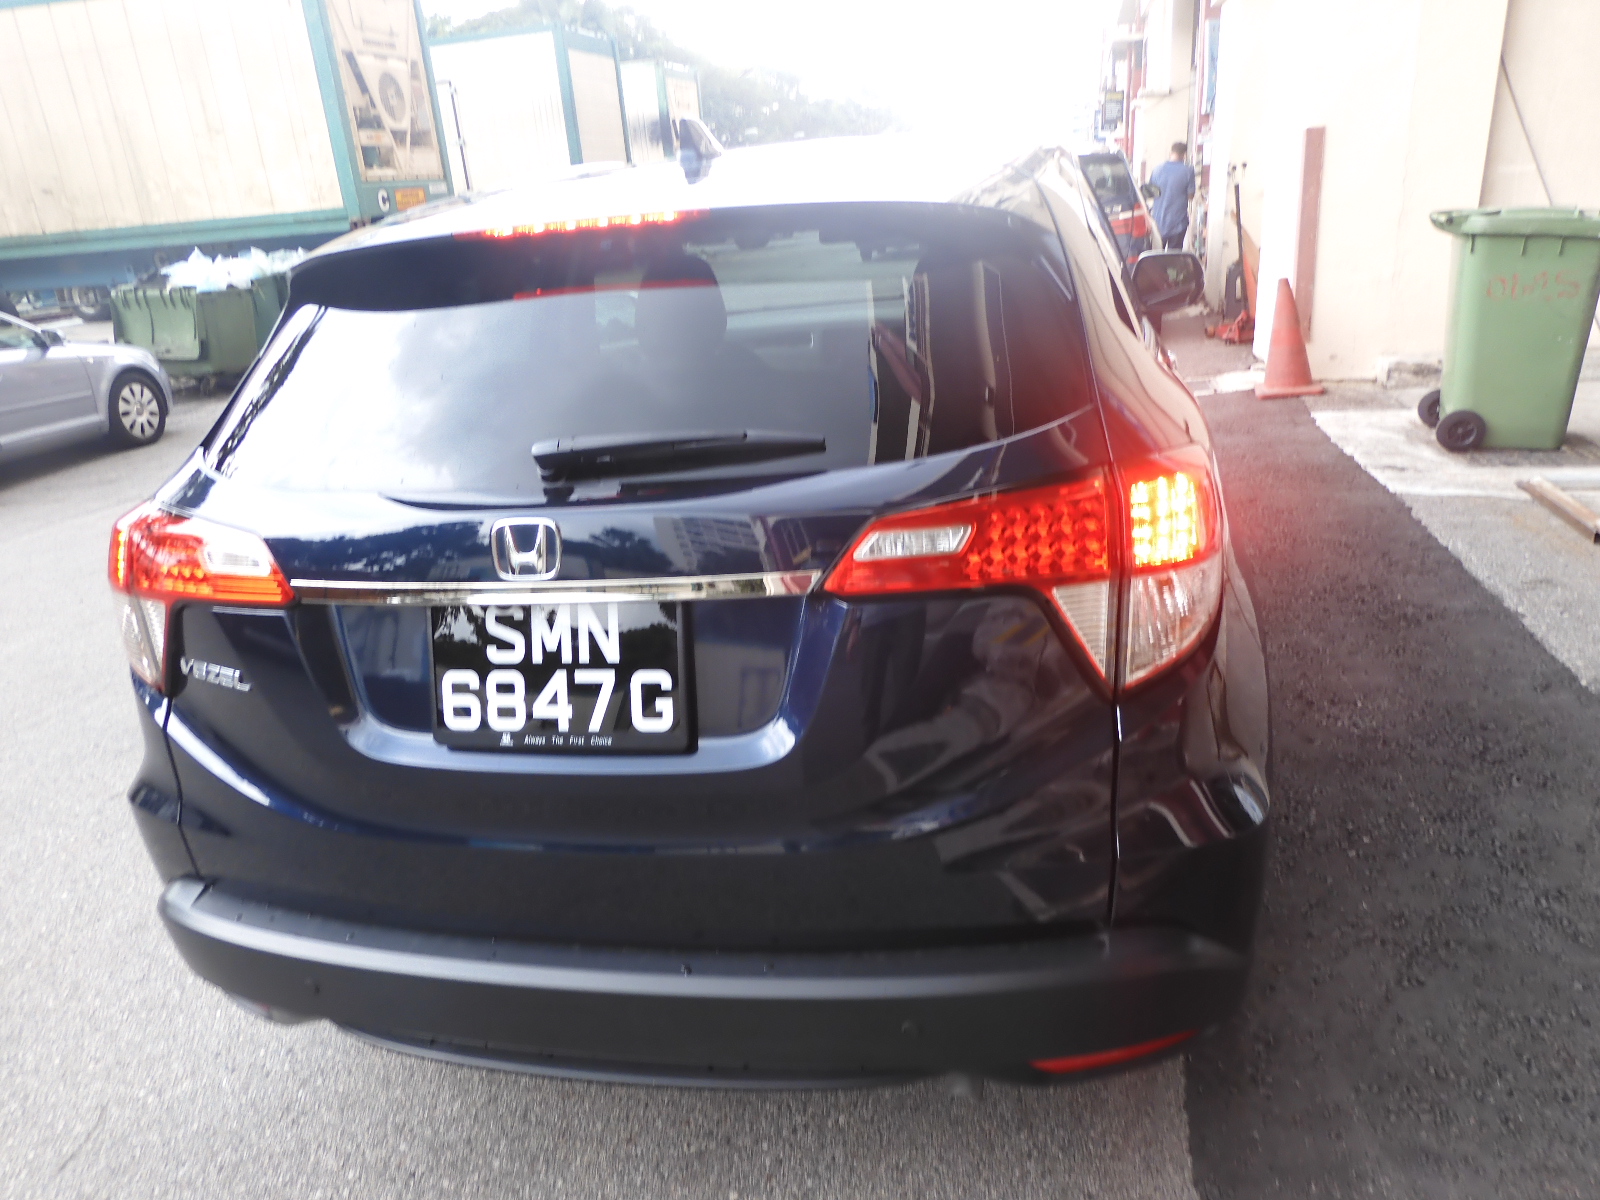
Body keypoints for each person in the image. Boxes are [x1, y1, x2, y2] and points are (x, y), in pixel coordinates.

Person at [1148, 142, 1196, 251]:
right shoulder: (1188, 170)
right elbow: (1191, 196)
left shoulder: (1157, 170)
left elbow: (1150, 193)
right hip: (1178, 223)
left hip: (1158, 222)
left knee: (1156, 256)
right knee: (1174, 257)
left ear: (1171, 153)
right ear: (1184, 155)